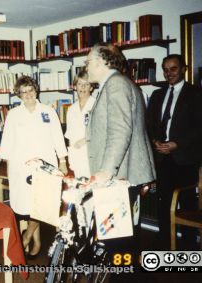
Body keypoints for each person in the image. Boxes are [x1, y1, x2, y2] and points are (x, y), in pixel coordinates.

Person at [84, 43, 156, 266]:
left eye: (88, 62)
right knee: (123, 238)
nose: (86, 67)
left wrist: (106, 171)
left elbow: (119, 130)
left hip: (119, 175)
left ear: (101, 61)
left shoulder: (115, 85)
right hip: (122, 172)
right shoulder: (116, 84)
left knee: (118, 240)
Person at [0, 75, 68, 259]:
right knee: (29, 206)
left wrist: (62, 161)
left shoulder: (48, 111)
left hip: (46, 166)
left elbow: (57, 137)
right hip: (21, 167)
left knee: (42, 204)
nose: (28, 94)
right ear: (18, 95)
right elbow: (7, 144)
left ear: (35, 90)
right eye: (24, 91)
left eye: (30, 90)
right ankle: (36, 241)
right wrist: (9, 172)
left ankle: (27, 236)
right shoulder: (13, 114)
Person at [146, 54, 202, 250]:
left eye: (173, 69)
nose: (169, 73)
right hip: (162, 159)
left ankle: (188, 246)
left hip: (185, 159)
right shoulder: (157, 95)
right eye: (166, 69)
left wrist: (177, 143)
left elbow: (199, 128)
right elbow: (150, 123)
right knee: (162, 203)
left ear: (184, 69)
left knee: (187, 204)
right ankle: (164, 244)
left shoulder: (196, 94)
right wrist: (154, 141)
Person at [65, 69, 95, 178]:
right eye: (79, 84)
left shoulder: (96, 105)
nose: (82, 87)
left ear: (91, 87)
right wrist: (71, 156)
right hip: (76, 156)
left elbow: (100, 132)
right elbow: (69, 136)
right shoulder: (71, 109)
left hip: (91, 155)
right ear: (75, 86)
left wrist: (84, 140)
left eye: (86, 84)